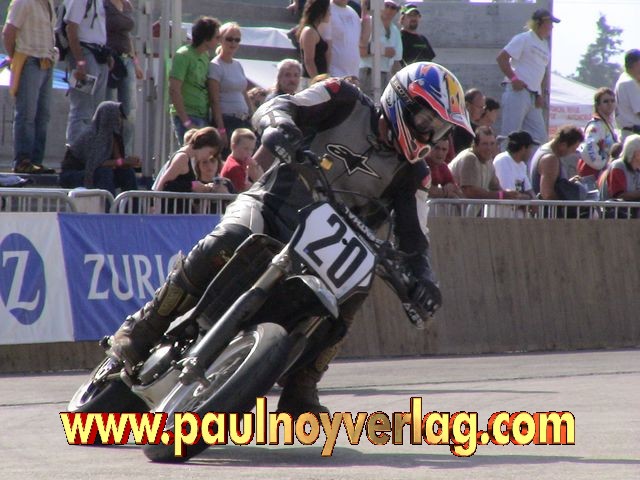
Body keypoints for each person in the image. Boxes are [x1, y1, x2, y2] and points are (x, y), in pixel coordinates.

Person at [109, 62, 473, 417]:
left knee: (355, 290)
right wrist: (279, 126)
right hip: (272, 205)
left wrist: (423, 279)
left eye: (438, 129)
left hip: (328, 249)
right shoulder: (342, 98)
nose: (429, 134)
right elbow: (282, 105)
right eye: (426, 120)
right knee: (228, 239)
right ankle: (144, 327)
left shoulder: (415, 175)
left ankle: (303, 383)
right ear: (399, 100)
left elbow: (414, 237)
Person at [2, 0, 57, 174]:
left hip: (47, 60)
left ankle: (36, 161)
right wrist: (15, 57)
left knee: (43, 115)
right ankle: (23, 160)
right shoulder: (23, 1)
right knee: (26, 113)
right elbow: (9, 32)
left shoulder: (49, 3)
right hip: (29, 59)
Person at [496, 8, 559, 145]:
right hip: (518, 92)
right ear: (539, 22)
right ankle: (502, 158)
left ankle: (532, 160)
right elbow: (501, 58)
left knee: (539, 138)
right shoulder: (524, 38)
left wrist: (540, 94)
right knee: (510, 135)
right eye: (550, 23)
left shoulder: (544, 45)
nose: (552, 27)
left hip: (533, 96)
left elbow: (541, 72)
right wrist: (514, 79)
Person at [59, 100, 138, 196]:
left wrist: (128, 162)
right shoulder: (91, 135)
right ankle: (108, 205)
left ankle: (133, 204)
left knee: (127, 172)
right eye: (118, 116)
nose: (120, 120)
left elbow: (118, 161)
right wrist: (124, 161)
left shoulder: (112, 136)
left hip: (95, 173)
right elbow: (96, 164)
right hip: (75, 174)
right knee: (104, 172)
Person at [63, 0, 111, 146]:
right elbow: (71, 28)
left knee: (96, 110)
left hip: (99, 53)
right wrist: (80, 62)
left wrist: (107, 55)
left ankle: (90, 151)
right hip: (84, 53)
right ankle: (75, 151)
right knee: (82, 108)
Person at [152, 126, 230, 213]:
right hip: (172, 212)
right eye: (210, 152)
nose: (207, 157)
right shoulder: (182, 158)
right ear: (203, 144)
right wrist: (192, 185)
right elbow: (164, 184)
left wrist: (201, 187)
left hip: (179, 211)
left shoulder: (187, 158)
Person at [169, 16, 221, 146]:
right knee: (190, 153)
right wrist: (186, 122)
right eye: (217, 37)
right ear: (206, 38)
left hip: (203, 115)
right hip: (188, 116)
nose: (219, 41)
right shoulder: (183, 55)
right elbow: (174, 89)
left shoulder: (205, 55)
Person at [104, 0, 143, 158]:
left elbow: (128, 36)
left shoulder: (126, 5)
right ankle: (107, 154)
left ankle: (124, 154)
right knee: (109, 110)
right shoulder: (103, 4)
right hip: (110, 60)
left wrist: (136, 63)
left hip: (127, 59)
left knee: (129, 110)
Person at [208, 22, 254, 151]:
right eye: (229, 39)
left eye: (237, 40)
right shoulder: (215, 66)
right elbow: (214, 100)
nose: (233, 43)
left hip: (243, 120)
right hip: (227, 120)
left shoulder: (238, 64)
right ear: (220, 40)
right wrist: (221, 129)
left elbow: (244, 92)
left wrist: (252, 116)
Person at [450, 126, 528, 201]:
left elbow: (495, 187)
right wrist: (502, 195)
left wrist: (512, 195)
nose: (489, 148)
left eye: (492, 143)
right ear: (475, 145)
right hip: (450, 209)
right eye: (485, 144)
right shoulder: (470, 158)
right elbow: (470, 191)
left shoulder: (488, 160)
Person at [358, 0, 403, 100]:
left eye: (393, 7)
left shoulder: (395, 31)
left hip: (385, 75)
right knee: (366, 106)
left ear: (396, 11)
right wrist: (383, 51)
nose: (389, 10)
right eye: (386, 6)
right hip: (368, 73)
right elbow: (360, 51)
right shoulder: (368, 22)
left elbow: (396, 61)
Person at [529, 125, 584, 200]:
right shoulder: (550, 159)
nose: (574, 152)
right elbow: (547, 195)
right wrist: (567, 202)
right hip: (548, 207)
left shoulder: (544, 149)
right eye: (574, 148)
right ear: (563, 145)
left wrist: (567, 184)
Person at [577, 87, 618, 180]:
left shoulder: (607, 124)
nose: (610, 104)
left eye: (612, 101)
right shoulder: (595, 126)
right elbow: (588, 148)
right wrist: (603, 164)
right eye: (605, 101)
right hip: (594, 173)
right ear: (598, 105)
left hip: (603, 172)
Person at [493, 130, 537, 198]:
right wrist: (527, 197)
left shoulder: (522, 164)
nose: (531, 152)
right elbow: (510, 194)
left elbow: (529, 190)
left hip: (518, 205)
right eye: (530, 148)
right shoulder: (503, 160)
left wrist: (534, 199)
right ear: (523, 148)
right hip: (504, 205)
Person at [599, 134, 640, 204]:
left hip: (630, 209)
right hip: (614, 209)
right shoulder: (618, 166)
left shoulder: (637, 170)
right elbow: (619, 196)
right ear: (636, 153)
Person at [296, 0, 330, 83]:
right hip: (310, 81)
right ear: (321, 11)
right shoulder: (309, 31)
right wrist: (317, 82)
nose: (330, 14)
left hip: (318, 81)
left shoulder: (315, 30)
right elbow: (309, 61)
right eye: (328, 10)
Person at [220, 128, 263, 193]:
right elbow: (245, 191)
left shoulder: (238, 162)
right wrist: (258, 178)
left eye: (252, 149)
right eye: (246, 149)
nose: (249, 153)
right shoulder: (235, 167)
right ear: (233, 146)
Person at [326, 0, 361, 78]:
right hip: (334, 75)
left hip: (353, 76)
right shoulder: (326, 10)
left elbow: (360, 41)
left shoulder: (353, 13)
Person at [614, 49, 640, 142]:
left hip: (628, 133)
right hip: (634, 133)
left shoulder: (623, 78)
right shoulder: (630, 82)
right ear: (636, 64)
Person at [451, 88, 485, 155]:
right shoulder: (459, 127)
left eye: (483, 107)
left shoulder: (475, 128)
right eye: (480, 107)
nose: (483, 111)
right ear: (467, 105)